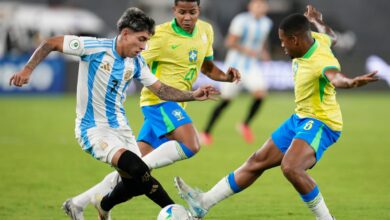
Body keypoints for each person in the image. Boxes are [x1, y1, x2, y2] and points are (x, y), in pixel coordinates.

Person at [9, 7, 220, 220]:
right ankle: (180, 213)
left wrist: (193, 95)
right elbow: (51, 42)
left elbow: (162, 90)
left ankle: (102, 205)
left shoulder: (136, 62)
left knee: (137, 184)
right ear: (125, 33)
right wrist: (27, 70)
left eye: (146, 41)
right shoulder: (94, 47)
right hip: (93, 129)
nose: (144, 47)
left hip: (121, 128)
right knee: (138, 169)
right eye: (141, 40)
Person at [175, 5, 378, 220]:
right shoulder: (319, 40)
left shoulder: (321, 61)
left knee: (291, 167)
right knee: (257, 161)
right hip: (300, 118)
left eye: (283, 41)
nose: (281, 46)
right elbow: (331, 36)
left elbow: (335, 77)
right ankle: (203, 203)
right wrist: (318, 20)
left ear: (296, 40)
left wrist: (351, 82)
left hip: (322, 123)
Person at [60, 0, 240, 219]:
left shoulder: (206, 30)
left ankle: (84, 203)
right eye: (182, 12)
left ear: (199, 11)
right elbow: (132, 58)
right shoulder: (160, 36)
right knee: (191, 144)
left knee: (133, 174)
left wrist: (227, 77)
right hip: (158, 101)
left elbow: (207, 66)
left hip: (176, 104)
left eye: (192, 12)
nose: (187, 17)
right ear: (174, 10)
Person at [200, 0, 272, 145]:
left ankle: (244, 124)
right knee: (226, 100)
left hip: (252, 66)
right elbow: (229, 42)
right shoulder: (241, 20)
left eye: (262, 4)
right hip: (235, 66)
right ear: (250, 6)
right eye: (257, 4)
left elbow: (262, 41)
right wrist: (248, 50)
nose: (260, 7)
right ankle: (206, 132)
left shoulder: (266, 22)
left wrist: (264, 52)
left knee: (261, 94)